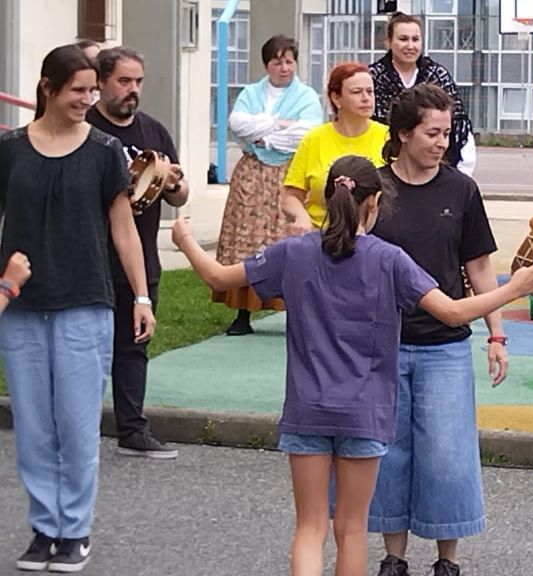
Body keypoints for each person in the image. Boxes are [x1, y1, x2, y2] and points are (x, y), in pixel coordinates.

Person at [172, 155, 533, 576]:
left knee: (310, 528)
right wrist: (513, 288)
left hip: (307, 410)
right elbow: (454, 313)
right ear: (376, 203)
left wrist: (185, 240)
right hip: (366, 412)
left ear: (326, 198)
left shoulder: (294, 252)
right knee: (352, 529)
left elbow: (219, 278)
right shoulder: (389, 259)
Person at [0, 43, 155, 573]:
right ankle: (44, 528)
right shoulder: (11, 149)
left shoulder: (106, 150)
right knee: (35, 426)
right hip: (21, 306)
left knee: (76, 423)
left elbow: (122, 227)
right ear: (48, 88)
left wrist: (140, 295)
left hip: (86, 301)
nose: (88, 99)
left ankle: (75, 530)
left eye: (93, 90)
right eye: (78, 90)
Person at [367, 84, 503, 576]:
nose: (441, 142)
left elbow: (479, 268)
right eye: (431, 132)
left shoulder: (461, 190)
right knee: (389, 454)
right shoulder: (375, 190)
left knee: (447, 457)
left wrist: (497, 334)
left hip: (445, 346)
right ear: (403, 134)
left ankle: (447, 561)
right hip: (383, 345)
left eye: (446, 133)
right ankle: (393, 557)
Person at [87, 46, 189, 459]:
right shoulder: (88, 129)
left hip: (141, 255)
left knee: (134, 344)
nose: (133, 90)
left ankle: (132, 428)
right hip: (92, 255)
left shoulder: (153, 131)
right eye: (123, 81)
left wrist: (171, 183)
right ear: (102, 83)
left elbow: (181, 197)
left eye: (138, 82)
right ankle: (80, 425)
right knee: (90, 344)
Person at [215, 34, 322, 335]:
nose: (284, 67)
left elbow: (306, 133)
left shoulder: (307, 97)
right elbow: (238, 124)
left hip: (291, 174)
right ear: (267, 65)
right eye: (277, 62)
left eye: (289, 61)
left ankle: (293, 311)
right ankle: (242, 312)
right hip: (252, 175)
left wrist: (264, 132)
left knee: (288, 240)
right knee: (246, 240)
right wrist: (280, 124)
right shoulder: (251, 93)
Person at [282, 61, 389, 235]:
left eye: (370, 92)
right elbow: (291, 196)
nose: (366, 98)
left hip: (374, 238)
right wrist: (301, 217)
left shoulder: (388, 138)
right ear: (336, 98)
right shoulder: (314, 140)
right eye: (357, 92)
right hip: (322, 236)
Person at [369, 12, 477, 176]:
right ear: (389, 42)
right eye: (403, 39)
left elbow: (459, 123)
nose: (410, 46)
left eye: (415, 39)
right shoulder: (373, 77)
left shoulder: (438, 76)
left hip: (436, 169)